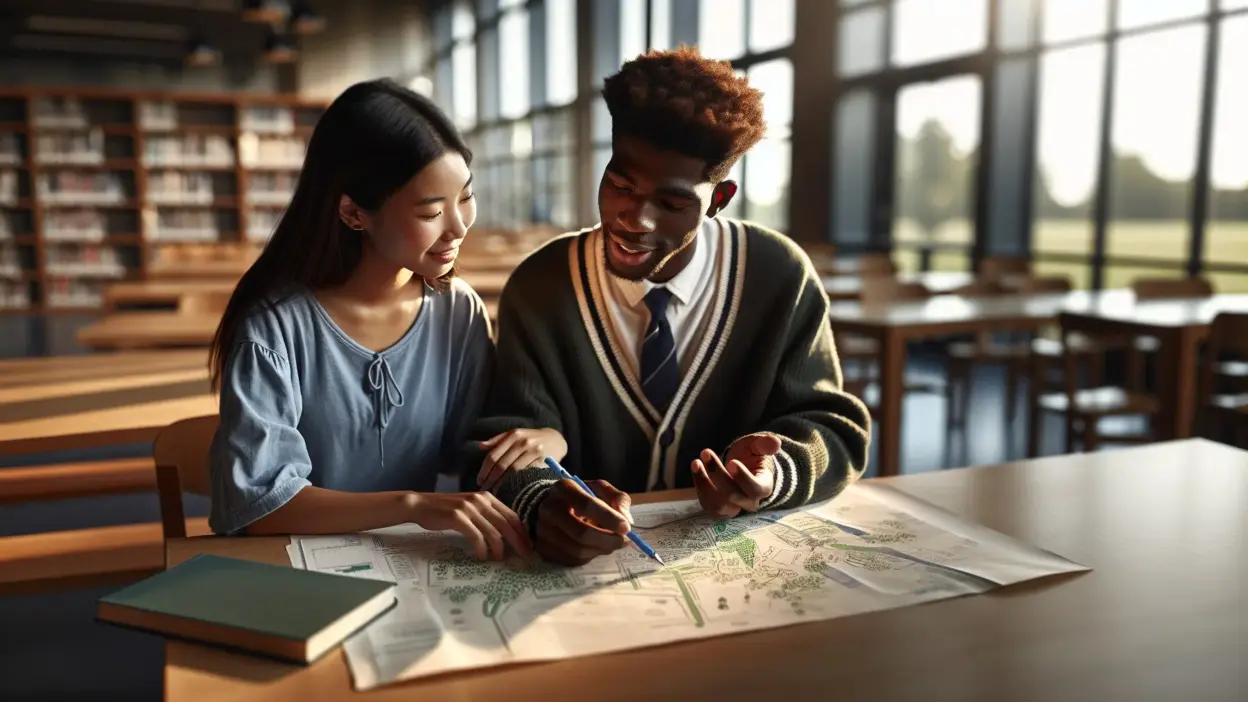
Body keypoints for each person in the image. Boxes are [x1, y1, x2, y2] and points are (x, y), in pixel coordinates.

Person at [466, 48, 871, 566]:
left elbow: (832, 427)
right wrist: (545, 502)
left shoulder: (779, 276)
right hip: (586, 577)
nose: (636, 219)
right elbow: (508, 438)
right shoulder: (541, 285)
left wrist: (772, 475)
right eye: (619, 185)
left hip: (732, 567)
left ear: (719, 198)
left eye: (673, 203)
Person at [207, 79, 531, 562]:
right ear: (354, 212)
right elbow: (260, 507)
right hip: (291, 566)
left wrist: (544, 438)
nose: (460, 227)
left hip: (406, 563)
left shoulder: (458, 312)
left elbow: (471, 452)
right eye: (431, 210)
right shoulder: (273, 328)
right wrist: (411, 505)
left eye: (465, 197)